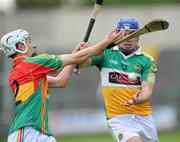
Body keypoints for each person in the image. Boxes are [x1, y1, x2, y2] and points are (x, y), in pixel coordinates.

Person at [0, 28, 125, 142]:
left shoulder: (22, 71)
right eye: (29, 41)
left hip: (36, 131)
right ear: (20, 46)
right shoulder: (31, 64)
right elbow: (80, 57)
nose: (34, 45)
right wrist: (107, 41)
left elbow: (61, 81)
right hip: (27, 131)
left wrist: (74, 54)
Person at [79, 17, 158, 142]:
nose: (128, 38)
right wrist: (85, 52)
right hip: (118, 118)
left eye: (132, 34)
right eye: (123, 34)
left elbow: (147, 91)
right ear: (116, 35)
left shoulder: (147, 60)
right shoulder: (106, 54)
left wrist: (137, 99)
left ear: (138, 36)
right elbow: (80, 64)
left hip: (144, 118)